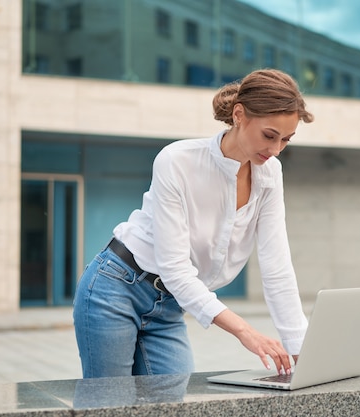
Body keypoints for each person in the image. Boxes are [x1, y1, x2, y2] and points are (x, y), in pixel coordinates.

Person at [73, 68, 314, 378]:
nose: (276, 149)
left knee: (177, 405)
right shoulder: (177, 161)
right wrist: (245, 331)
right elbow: (174, 268)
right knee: (111, 405)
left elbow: (276, 267)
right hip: (116, 287)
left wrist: (302, 351)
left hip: (170, 305)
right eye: (270, 135)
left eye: (286, 140)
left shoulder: (270, 175)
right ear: (239, 115)